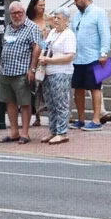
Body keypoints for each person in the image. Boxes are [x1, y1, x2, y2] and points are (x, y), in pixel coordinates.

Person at [70, 0, 111, 130]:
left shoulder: (99, 13)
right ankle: (81, 119)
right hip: (78, 58)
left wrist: (103, 53)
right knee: (78, 88)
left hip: (94, 57)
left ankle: (96, 120)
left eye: (77, 1)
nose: (75, 3)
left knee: (95, 88)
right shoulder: (77, 16)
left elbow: (105, 34)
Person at [0, 0, 41, 144]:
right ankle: (14, 132)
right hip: (5, 71)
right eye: (14, 13)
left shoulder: (32, 27)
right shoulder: (8, 27)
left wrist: (32, 69)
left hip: (22, 71)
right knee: (10, 102)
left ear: (24, 12)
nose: (17, 16)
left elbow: (37, 48)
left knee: (25, 103)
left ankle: (25, 133)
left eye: (19, 13)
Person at [40, 8, 76, 144]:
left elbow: (70, 56)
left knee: (61, 103)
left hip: (61, 72)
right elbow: (45, 46)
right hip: (47, 71)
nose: (55, 20)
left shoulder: (69, 35)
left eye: (58, 18)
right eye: (54, 17)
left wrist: (50, 60)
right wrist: (42, 55)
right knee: (50, 103)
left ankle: (62, 132)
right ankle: (53, 130)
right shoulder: (53, 33)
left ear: (66, 21)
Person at [25, 0, 48, 128]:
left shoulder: (48, 20)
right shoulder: (29, 21)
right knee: (34, 87)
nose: (42, 7)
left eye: (44, 5)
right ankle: (37, 116)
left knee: (45, 87)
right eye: (40, 5)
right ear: (34, 6)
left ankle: (49, 114)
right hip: (33, 57)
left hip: (46, 57)